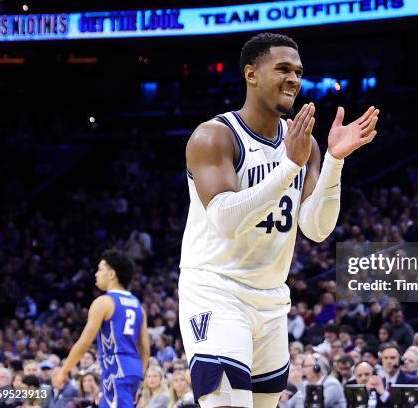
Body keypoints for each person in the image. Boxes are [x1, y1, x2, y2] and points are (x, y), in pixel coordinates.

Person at [179, 32, 378, 408]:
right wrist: (289, 166)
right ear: (251, 74)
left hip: (271, 299)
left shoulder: (305, 142)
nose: (293, 79)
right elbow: (224, 218)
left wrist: (335, 159)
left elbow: (316, 229)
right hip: (216, 291)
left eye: (298, 72)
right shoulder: (214, 136)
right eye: (283, 69)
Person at [53, 250, 150, 408]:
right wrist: (139, 375)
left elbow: (84, 343)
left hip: (116, 370)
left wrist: (64, 370)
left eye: (100, 269)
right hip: (133, 370)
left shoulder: (104, 302)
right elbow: (145, 350)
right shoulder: (138, 306)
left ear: (111, 274)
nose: (96, 274)